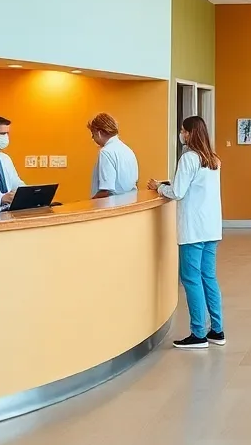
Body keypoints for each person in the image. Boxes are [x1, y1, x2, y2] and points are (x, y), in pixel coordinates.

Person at [148, 116, 224, 350]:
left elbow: (178, 192)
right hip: (211, 228)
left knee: (191, 279)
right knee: (208, 277)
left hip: (193, 229)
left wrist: (158, 187)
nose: (181, 134)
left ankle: (198, 334)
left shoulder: (189, 158)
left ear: (190, 133)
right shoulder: (213, 159)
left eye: (183, 131)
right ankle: (217, 330)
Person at [87, 112, 139, 198]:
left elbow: (106, 191)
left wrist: (90, 202)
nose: (92, 138)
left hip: (112, 203)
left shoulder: (105, 152)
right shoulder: (128, 150)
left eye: (93, 134)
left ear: (99, 133)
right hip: (130, 201)